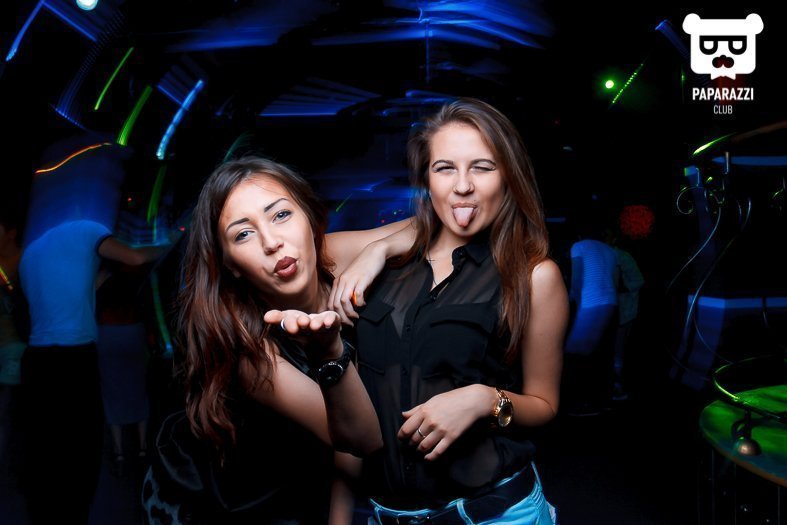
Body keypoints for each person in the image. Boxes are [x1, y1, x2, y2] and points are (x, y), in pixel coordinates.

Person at [142, 157, 417, 524]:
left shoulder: (328, 253)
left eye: (281, 215)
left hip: (325, 471)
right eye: (243, 234)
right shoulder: (245, 346)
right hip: (237, 498)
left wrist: (378, 249)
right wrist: (329, 353)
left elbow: (440, 225)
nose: (272, 242)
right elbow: (360, 438)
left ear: (311, 218)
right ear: (229, 264)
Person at [332, 98, 568, 524]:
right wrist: (379, 246)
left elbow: (545, 405)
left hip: (494, 513)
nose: (462, 185)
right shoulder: (387, 262)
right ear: (427, 178)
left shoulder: (535, 276)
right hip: (387, 515)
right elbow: (287, 254)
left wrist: (484, 400)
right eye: (444, 168)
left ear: (508, 175)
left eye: (482, 167)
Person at [17, 134, 175, 524]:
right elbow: (135, 256)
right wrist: (174, 241)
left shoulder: (32, 252)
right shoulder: (86, 229)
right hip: (74, 360)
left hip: (36, 364)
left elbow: (75, 288)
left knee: (43, 452)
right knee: (80, 451)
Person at [563, 219, 619, 415]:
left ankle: (580, 404)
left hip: (592, 303)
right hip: (611, 303)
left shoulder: (579, 246)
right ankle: (602, 401)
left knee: (574, 354)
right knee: (601, 354)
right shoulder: (610, 251)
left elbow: (577, 280)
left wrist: (572, 305)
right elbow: (615, 281)